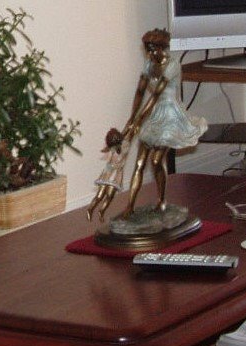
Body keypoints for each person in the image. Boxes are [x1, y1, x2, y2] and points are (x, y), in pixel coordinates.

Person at [86, 29, 207, 222]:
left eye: (152, 50)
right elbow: (140, 92)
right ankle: (130, 207)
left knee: (157, 161)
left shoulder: (172, 65)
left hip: (169, 115)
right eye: (147, 50)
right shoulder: (149, 63)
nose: (150, 54)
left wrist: (138, 121)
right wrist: (130, 119)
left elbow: (156, 95)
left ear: (162, 47)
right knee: (139, 163)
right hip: (154, 115)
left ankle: (161, 200)